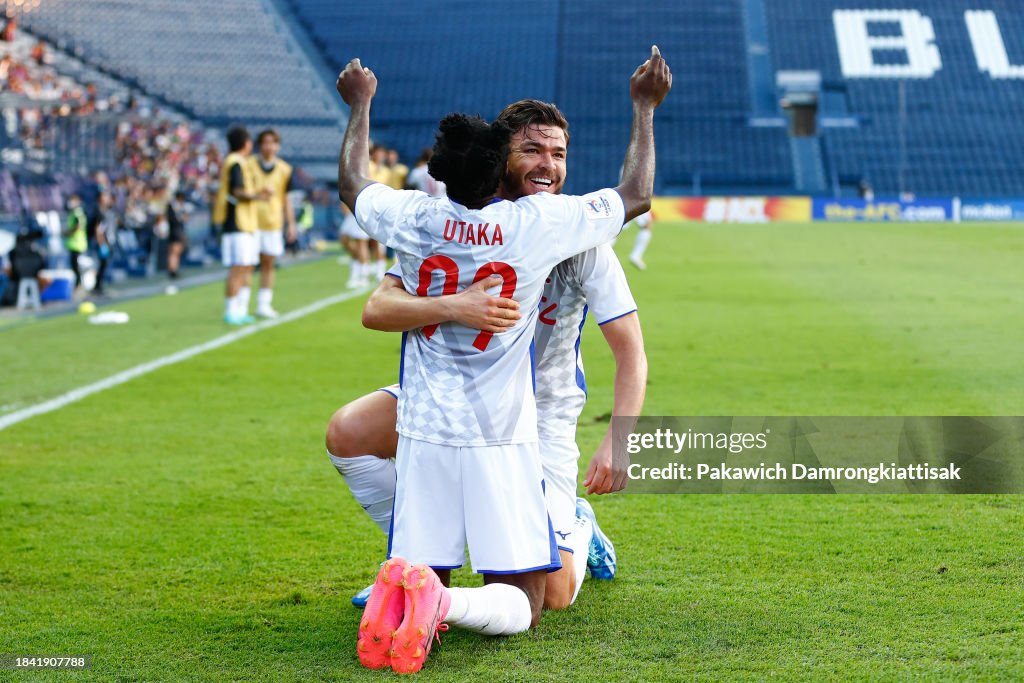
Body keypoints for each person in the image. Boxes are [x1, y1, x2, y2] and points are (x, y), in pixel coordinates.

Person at [336, 45, 670, 673]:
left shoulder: (429, 218)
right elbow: (380, 303)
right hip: (484, 419)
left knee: (562, 592)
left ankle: (564, 526)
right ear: (498, 160)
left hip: (535, 418)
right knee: (347, 434)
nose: (548, 166)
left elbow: (630, 348)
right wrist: (460, 305)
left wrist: (619, 440)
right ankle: (424, 574)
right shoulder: (545, 224)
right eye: (532, 152)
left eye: (559, 155)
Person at [212, 126, 269, 325]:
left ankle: (242, 308)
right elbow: (238, 191)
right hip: (236, 223)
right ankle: (231, 310)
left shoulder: (240, 163)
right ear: (246, 143)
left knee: (247, 266)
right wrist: (258, 196)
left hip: (247, 224)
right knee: (238, 267)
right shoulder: (235, 163)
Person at [249, 129, 297, 318]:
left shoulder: (285, 169)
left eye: (273, 142)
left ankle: (264, 304)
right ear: (260, 145)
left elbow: (287, 199)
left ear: (278, 145)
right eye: (266, 142)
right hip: (251, 222)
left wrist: (291, 224)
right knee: (248, 265)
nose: (269, 146)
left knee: (269, 264)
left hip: (273, 222)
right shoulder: (249, 165)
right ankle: (241, 304)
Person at [64, 193, 88, 290]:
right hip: (75, 244)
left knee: (76, 266)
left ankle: (79, 285)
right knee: (75, 266)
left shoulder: (77, 213)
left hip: (77, 244)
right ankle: (78, 284)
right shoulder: (74, 212)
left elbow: (77, 226)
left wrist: (67, 232)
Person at [165, 190, 189, 287]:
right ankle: (172, 270)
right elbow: (173, 220)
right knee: (174, 252)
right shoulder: (172, 207)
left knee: (177, 252)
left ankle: (175, 269)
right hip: (174, 232)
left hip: (178, 231)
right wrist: (181, 218)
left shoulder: (179, 207)